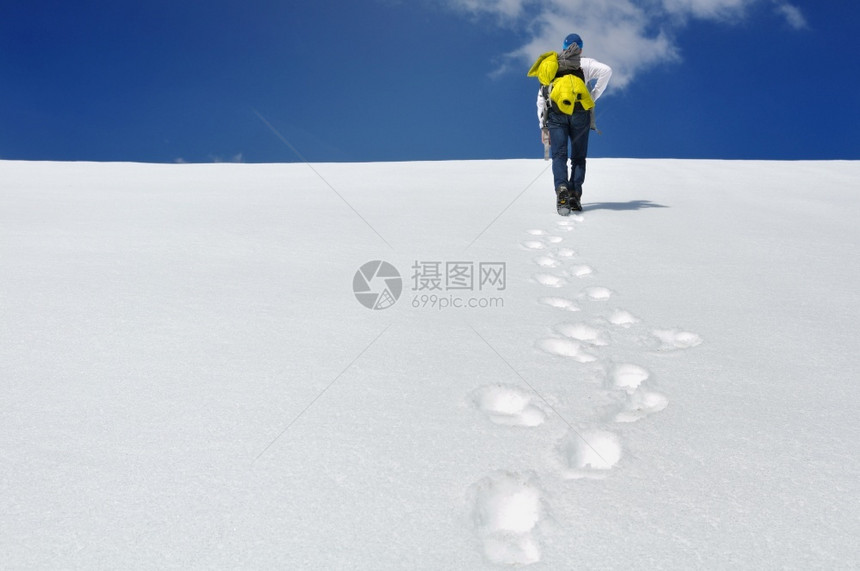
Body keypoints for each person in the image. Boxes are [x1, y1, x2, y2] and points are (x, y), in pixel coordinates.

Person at [533, 33, 611, 214]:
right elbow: (607, 70)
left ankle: (561, 189)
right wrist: (593, 96)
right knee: (578, 157)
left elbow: (541, 98)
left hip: (556, 114)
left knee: (559, 155)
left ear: (563, 46)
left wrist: (542, 127)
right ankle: (575, 194)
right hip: (580, 113)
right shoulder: (586, 63)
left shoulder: (553, 64)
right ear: (580, 48)